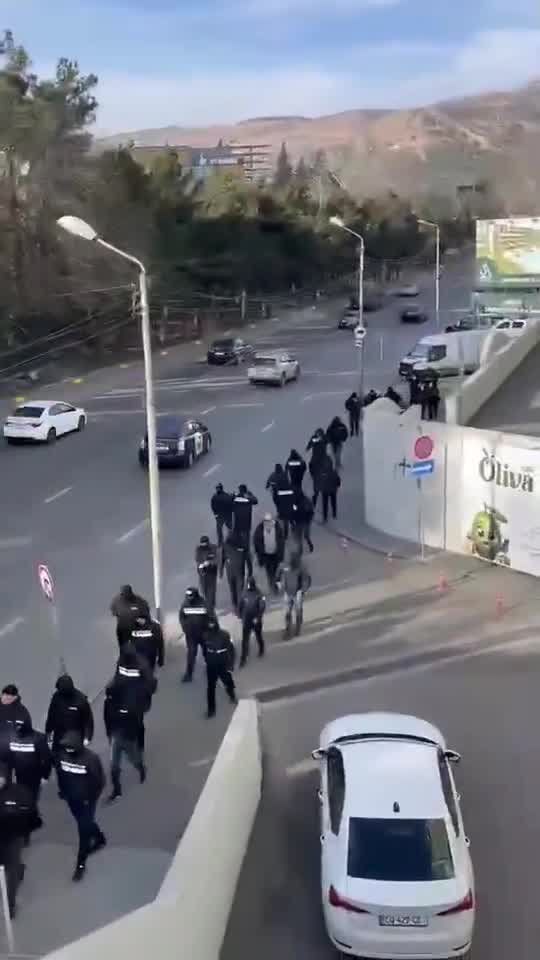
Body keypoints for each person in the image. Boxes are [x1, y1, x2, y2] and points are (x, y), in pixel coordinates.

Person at [55, 731, 106, 882]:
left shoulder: (91, 759)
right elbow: (60, 774)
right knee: (84, 822)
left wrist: (90, 799)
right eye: (66, 747)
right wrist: (63, 791)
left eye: (70, 747)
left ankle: (80, 864)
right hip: (71, 799)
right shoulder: (62, 755)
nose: (68, 749)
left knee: (83, 831)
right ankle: (99, 838)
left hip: (86, 800)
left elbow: (99, 782)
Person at [0, 763, 40, 916]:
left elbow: (32, 815)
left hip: (13, 838)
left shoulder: (20, 793)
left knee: (12, 870)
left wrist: (24, 832)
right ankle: (19, 868)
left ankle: (10, 905)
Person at [2, 720, 51, 841]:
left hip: (34, 777)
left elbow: (46, 759)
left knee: (29, 802)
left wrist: (45, 776)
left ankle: (26, 831)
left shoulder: (38, 739)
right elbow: (7, 757)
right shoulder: (11, 737)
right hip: (18, 775)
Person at [104, 671, 147, 803]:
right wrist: (109, 734)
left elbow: (137, 721)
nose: (109, 697)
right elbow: (107, 719)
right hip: (115, 736)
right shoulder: (108, 703)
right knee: (114, 766)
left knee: (133, 759)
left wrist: (133, 736)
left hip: (128, 736)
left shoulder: (129, 703)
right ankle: (117, 790)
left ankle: (141, 768)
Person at [114, 644, 156, 752]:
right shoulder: (121, 662)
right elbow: (117, 677)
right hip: (125, 697)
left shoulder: (142, 664)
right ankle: (130, 741)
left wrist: (146, 696)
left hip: (138, 699)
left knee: (138, 722)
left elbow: (151, 682)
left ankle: (140, 744)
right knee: (126, 720)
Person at [45, 675, 94, 756]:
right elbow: (51, 716)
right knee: (57, 758)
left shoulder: (80, 699)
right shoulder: (56, 697)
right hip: (59, 736)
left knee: (75, 759)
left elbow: (88, 720)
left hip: (76, 737)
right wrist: (48, 732)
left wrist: (87, 737)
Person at [201, 617, 237, 718]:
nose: (211, 626)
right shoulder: (205, 635)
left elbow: (231, 649)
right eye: (209, 624)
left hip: (223, 661)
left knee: (227, 681)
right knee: (211, 687)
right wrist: (207, 660)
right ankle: (211, 710)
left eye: (212, 624)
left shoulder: (225, 634)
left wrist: (231, 664)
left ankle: (232, 694)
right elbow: (205, 649)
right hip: (211, 663)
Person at [276, 550, 312, 639]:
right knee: (287, 611)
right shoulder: (283, 565)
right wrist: (278, 583)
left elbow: (306, 579)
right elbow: (278, 574)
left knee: (298, 610)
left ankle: (297, 628)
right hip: (287, 591)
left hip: (297, 592)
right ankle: (288, 630)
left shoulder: (301, 567)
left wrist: (303, 590)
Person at [179, 587, 210, 682]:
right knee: (191, 654)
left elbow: (211, 617)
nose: (189, 598)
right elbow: (182, 617)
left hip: (204, 634)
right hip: (191, 635)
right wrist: (185, 629)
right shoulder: (185, 604)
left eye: (191, 596)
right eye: (187, 596)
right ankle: (188, 674)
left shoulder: (203, 604)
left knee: (207, 652)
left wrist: (210, 630)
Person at [253, 513, 285, 593]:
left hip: (275, 554)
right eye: (266, 521)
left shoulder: (277, 528)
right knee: (269, 572)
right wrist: (259, 555)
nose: (267, 523)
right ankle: (273, 586)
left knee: (276, 571)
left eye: (269, 521)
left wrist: (281, 555)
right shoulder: (259, 529)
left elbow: (281, 542)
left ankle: (275, 584)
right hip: (266, 556)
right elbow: (256, 542)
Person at [238, 576, 266, 666]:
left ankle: (261, 649)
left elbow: (262, 607)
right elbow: (240, 604)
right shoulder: (244, 593)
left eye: (249, 585)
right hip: (246, 619)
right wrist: (240, 615)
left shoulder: (259, 594)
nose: (248, 586)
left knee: (258, 635)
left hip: (255, 619)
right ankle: (243, 658)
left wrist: (258, 617)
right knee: (245, 640)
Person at [222, 531, 249, 613]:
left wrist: (220, 571)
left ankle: (236, 607)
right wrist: (250, 569)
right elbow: (247, 558)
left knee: (233, 590)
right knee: (239, 590)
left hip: (230, 572)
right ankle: (238, 608)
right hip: (239, 571)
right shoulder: (242, 545)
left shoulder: (225, 546)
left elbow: (222, 558)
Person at [195, 535, 219, 611]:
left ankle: (211, 607)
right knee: (204, 590)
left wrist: (210, 563)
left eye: (205, 543)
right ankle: (208, 605)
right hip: (202, 573)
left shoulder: (214, 548)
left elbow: (217, 559)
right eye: (202, 543)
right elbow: (197, 559)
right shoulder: (199, 549)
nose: (204, 544)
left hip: (211, 573)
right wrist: (201, 565)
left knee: (211, 591)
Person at [210, 483, 233, 547]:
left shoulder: (217, 496)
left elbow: (213, 506)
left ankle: (228, 541)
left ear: (221, 488)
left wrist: (216, 514)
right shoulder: (226, 496)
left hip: (224, 515)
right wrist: (215, 514)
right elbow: (213, 506)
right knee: (223, 529)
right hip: (223, 515)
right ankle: (222, 542)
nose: (217, 489)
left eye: (218, 488)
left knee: (226, 528)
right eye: (217, 488)